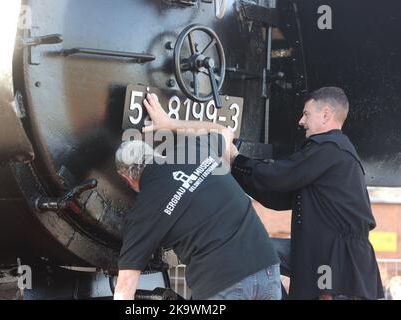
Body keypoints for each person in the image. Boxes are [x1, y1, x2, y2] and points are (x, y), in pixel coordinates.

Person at [142, 87, 384, 300]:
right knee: (256, 249)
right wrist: (233, 169)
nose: (301, 121)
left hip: (335, 262)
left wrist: (237, 158)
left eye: (306, 114)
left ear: (326, 114)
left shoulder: (330, 148)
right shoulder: (332, 155)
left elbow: (278, 176)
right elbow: (277, 196)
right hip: (320, 252)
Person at [113, 133, 281, 300]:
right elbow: (227, 134)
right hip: (266, 265)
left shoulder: (143, 210)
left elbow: (125, 286)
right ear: (153, 153)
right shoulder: (192, 148)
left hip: (222, 282)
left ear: (126, 179)